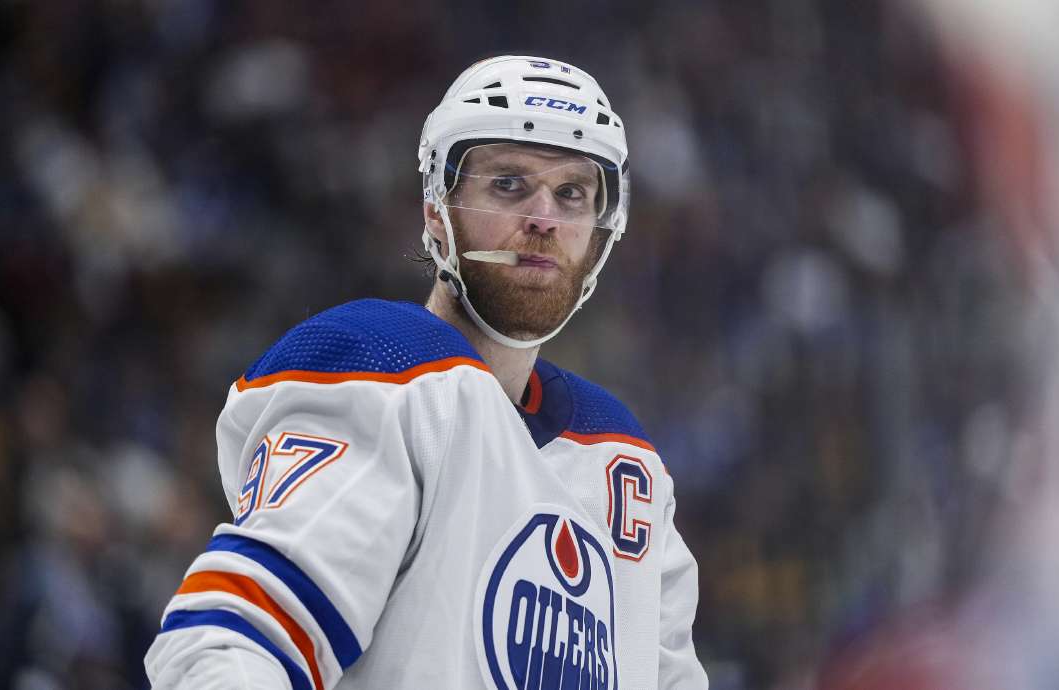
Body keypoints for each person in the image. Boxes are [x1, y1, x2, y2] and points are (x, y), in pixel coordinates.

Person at [145, 55, 708, 690]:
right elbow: (229, 644)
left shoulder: (625, 466)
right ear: (438, 209)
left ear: (602, 230)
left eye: (571, 192)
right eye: (509, 184)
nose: (544, 219)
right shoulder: (390, 370)